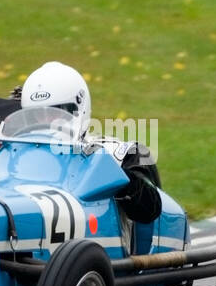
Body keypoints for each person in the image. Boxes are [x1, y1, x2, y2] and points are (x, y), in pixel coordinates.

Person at [19, 62, 162, 226]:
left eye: (56, 112)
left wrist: (120, 178)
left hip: (106, 247)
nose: (46, 121)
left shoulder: (117, 154)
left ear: (78, 108)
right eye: (37, 114)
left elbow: (151, 211)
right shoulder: (16, 155)